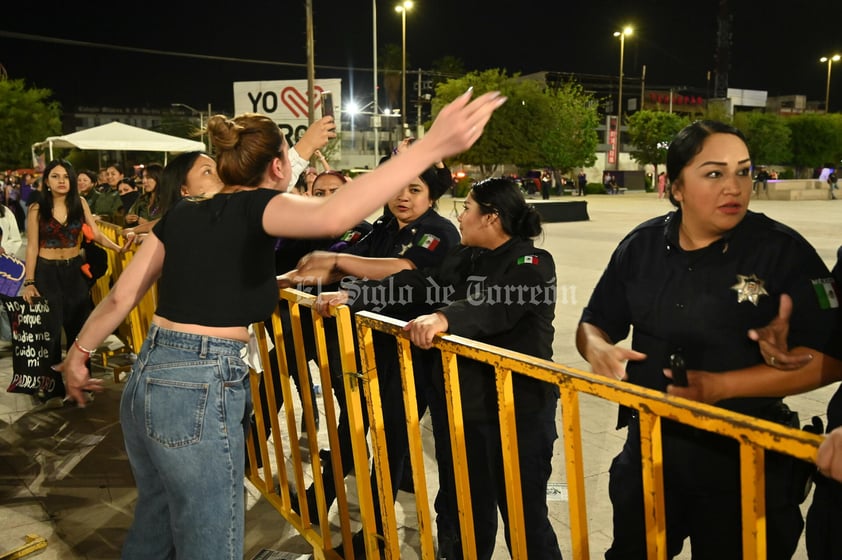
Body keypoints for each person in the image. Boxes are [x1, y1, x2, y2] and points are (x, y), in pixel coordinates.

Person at [56, 90, 505, 560]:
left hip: (149, 374)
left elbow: (121, 297)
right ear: (275, 169)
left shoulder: (181, 215)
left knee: (158, 518)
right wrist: (430, 146)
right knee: (211, 537)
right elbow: (335, 212)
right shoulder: (257, 208)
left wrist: (78, 354)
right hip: (199, 386)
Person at [576, 120, 839, 560]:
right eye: (714, 173)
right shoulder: (639, 247)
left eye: (744, 172)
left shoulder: (783, 253)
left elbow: (834, 357)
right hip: (651, 453)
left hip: (747, 459)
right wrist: (597, 348)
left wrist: (726, 386)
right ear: (675, 186)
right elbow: (594, 322)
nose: (734, 187)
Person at [315, 176, 561, 559]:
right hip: (462, 410)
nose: (460, 216)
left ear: (491, 218)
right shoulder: (465, 257)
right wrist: (355, 293)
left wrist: (445, 318)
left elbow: (496, 304)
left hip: (517, 414)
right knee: (461, 511)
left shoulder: (531, 263)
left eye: (467, 208)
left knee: (525, 520)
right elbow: (418, 283)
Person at [281, 151, 460, 534]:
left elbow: (407, 275)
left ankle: (378, 531)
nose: (404, 196)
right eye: (397, 187)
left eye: (415, 188)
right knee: (353, 426)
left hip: (411, 354)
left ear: (431, 195)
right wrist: (297, 277)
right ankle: (322, 500)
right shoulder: (381, 229)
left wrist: (345, 278)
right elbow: (344, 260)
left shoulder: (439, 233)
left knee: (391, 439)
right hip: (370, 348)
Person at [21, 159, 128, 397]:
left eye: (66, 177)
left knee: (80, 331)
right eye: (55, 176)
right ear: (46, 181)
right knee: (50, 332)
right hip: (46, 272)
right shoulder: (37, 209)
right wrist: (29, 282)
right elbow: (31, 248)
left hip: (74, 271)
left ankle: (79, 384)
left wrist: (118, 248)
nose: (61, 181)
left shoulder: (79, 203)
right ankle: (51, 389)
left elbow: (96, 234)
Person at [124, 163, 164, 228]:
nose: (144, 181)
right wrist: (127, 219)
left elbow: (167, 227)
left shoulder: (167, 200)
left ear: (158, 178)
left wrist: (147, 224)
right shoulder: (142, 199)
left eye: (148, 177)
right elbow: (130, 214)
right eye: (143, 177)